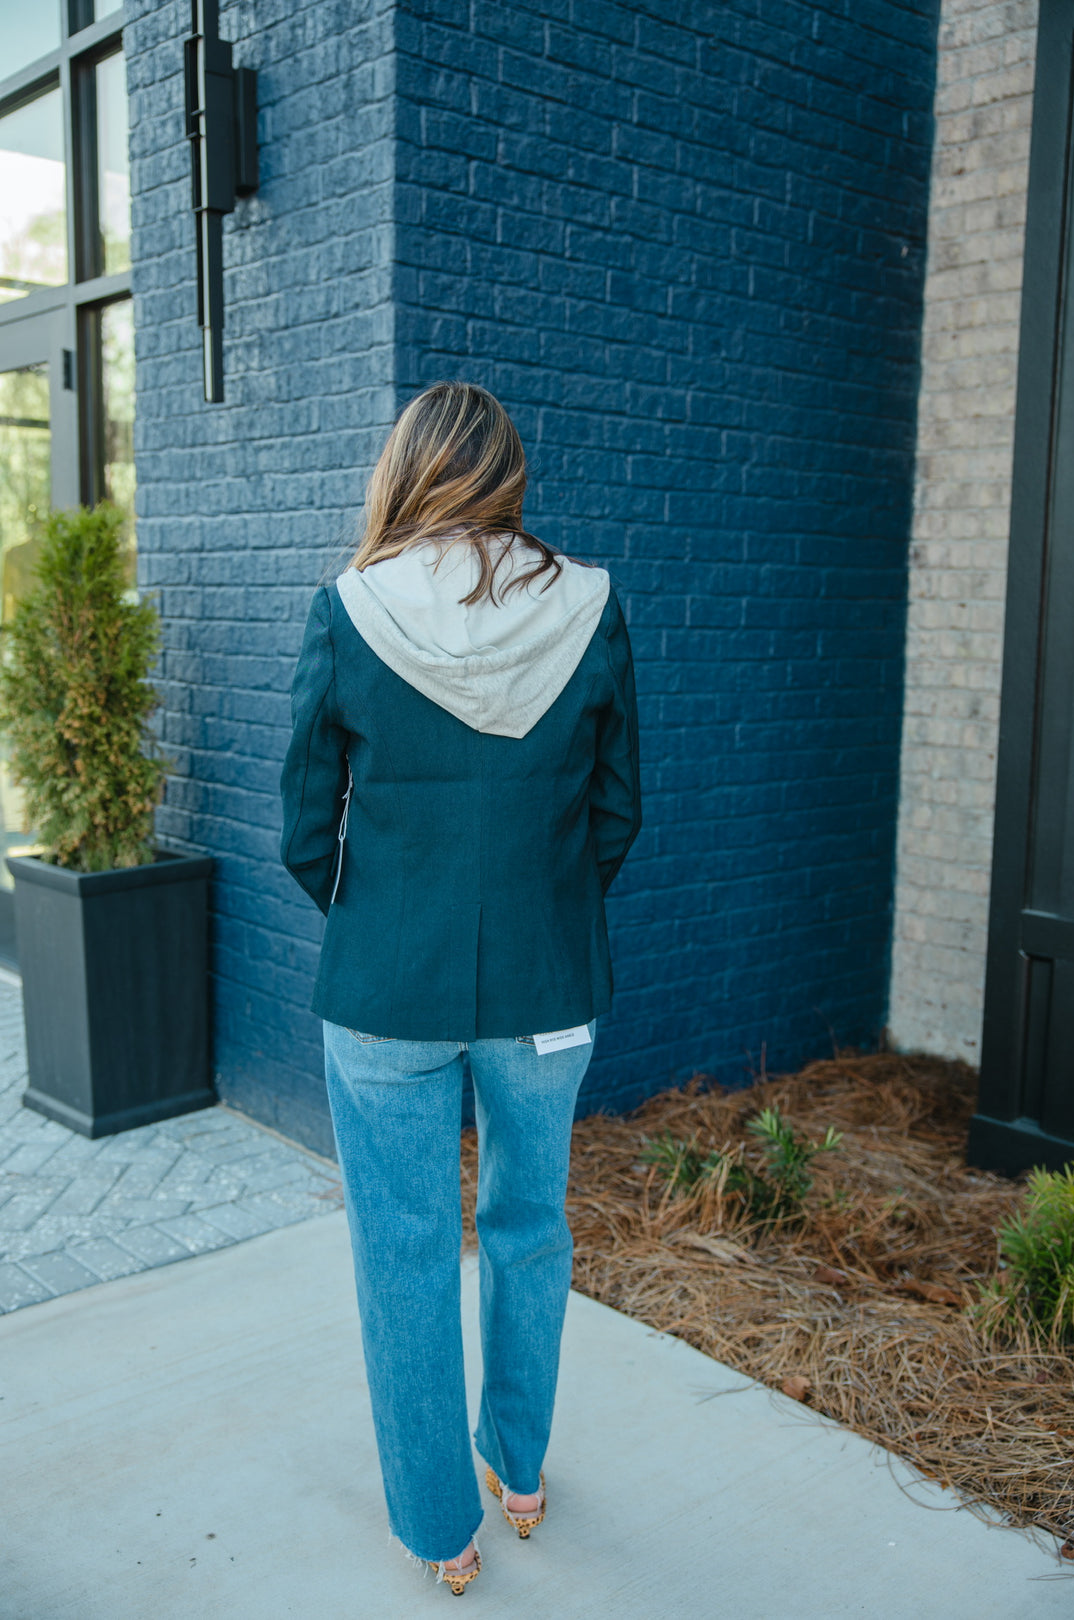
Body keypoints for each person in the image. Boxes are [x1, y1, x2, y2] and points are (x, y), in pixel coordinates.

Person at [279, 381, 641, 1595]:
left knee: (404, 1250)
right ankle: (519, 1471)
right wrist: (543, 907)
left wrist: (375, 913)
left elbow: (299, 827)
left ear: (408, 472)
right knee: (531, 1226)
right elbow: (617, 815)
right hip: (548, 987)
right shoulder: (591, 605)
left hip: (387, 984)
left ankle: (441, 1530)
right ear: (507, 474)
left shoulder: (347, 609)